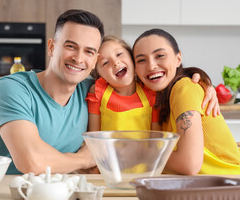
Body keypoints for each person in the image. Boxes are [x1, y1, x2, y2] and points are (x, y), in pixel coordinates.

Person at [0, 9, 104, 174]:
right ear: (51, 47)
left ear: (96, 60)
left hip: (61, 193)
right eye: (70, 46)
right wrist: (86, 159)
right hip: (4, 194)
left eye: (89, 52)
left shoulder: (91, 91)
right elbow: (32, 162)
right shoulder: (11, 88)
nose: (79, 58)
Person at [132, 28, 240, 175]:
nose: (151, 66)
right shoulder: (158, 98)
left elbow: (189, 165)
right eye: (141, 60)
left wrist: (141, 153)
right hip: (208, 189)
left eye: (160, 55)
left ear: (178, 59)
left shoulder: (184, 88)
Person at [86, 36, 219, 132]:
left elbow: (156, 139)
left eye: (120, 54)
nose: (115, 62)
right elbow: (94, 137)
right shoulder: (97, 91)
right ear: (99, 74)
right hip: (109, 166)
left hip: (144, 165)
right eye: (105, 63)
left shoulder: (150, 91)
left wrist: (204, 81)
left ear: (133, 59)